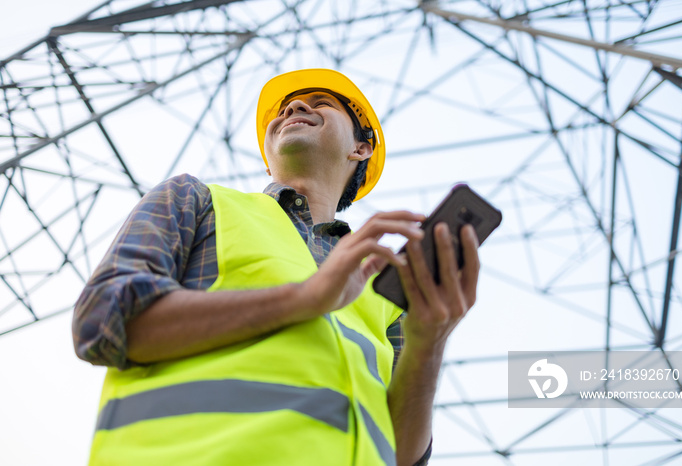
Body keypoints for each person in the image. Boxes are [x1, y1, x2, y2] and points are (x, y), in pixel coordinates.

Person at [73, 68, 480, 466]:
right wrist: (304, 298)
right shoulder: (195, 200)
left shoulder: (383, 284)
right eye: (282, 111)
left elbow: (402, 455)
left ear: (362, 148)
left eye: (321, 103)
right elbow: (103, 322)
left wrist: (430, 343)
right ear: (269, 158)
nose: (294, 107)